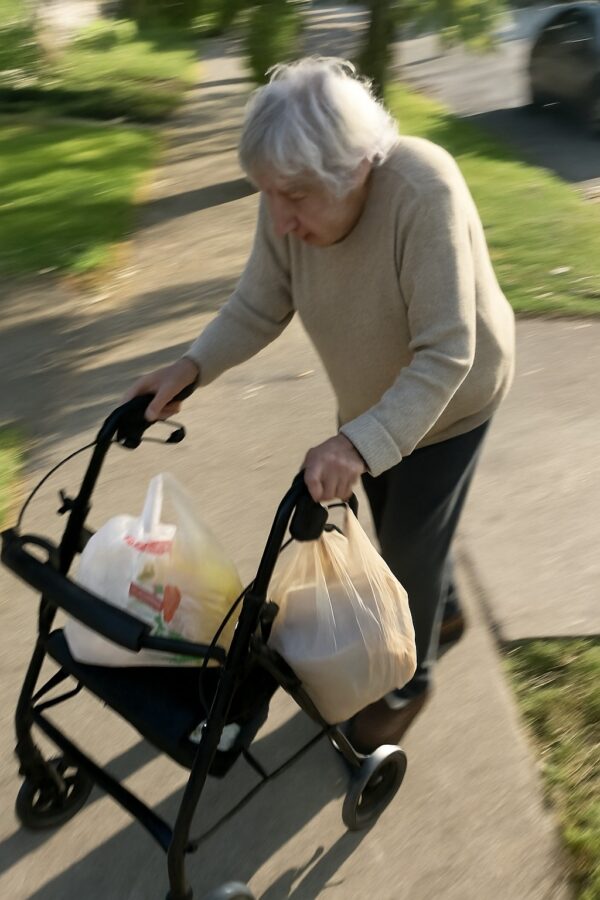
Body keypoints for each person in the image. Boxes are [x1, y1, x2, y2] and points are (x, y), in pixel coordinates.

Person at [126, 58, 515, 751]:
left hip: (455, 397)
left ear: (358, 165)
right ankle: (446, 611)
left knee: (406, 546)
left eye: (296, 196)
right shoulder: (288, 199)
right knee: (397, 521)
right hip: (371, 394)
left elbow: (446, 354)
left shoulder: (423, 191)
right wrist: (191, 366)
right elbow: (258, 302)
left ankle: (407, 684)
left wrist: (357, 443)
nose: (280, 218)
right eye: (268, 194)